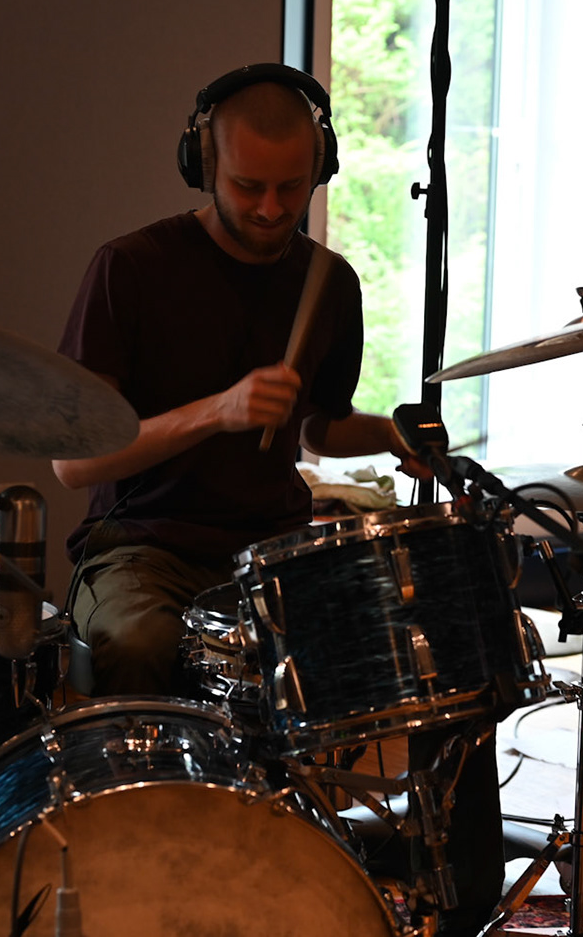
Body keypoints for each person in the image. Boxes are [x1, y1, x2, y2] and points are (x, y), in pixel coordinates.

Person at [52, 63, 499, 934]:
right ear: (200, 164)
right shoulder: (130, 269)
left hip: (273, 553)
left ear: (319, 168)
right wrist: (215, 410)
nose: (269, 208)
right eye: (247, 186)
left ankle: (446, 892)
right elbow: (75, 460)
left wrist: (392, 433)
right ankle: (141, 883)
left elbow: (318, 427)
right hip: (143, 545)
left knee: (445, 638)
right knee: (138, 643)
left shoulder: (329, 282)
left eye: (291, 188)